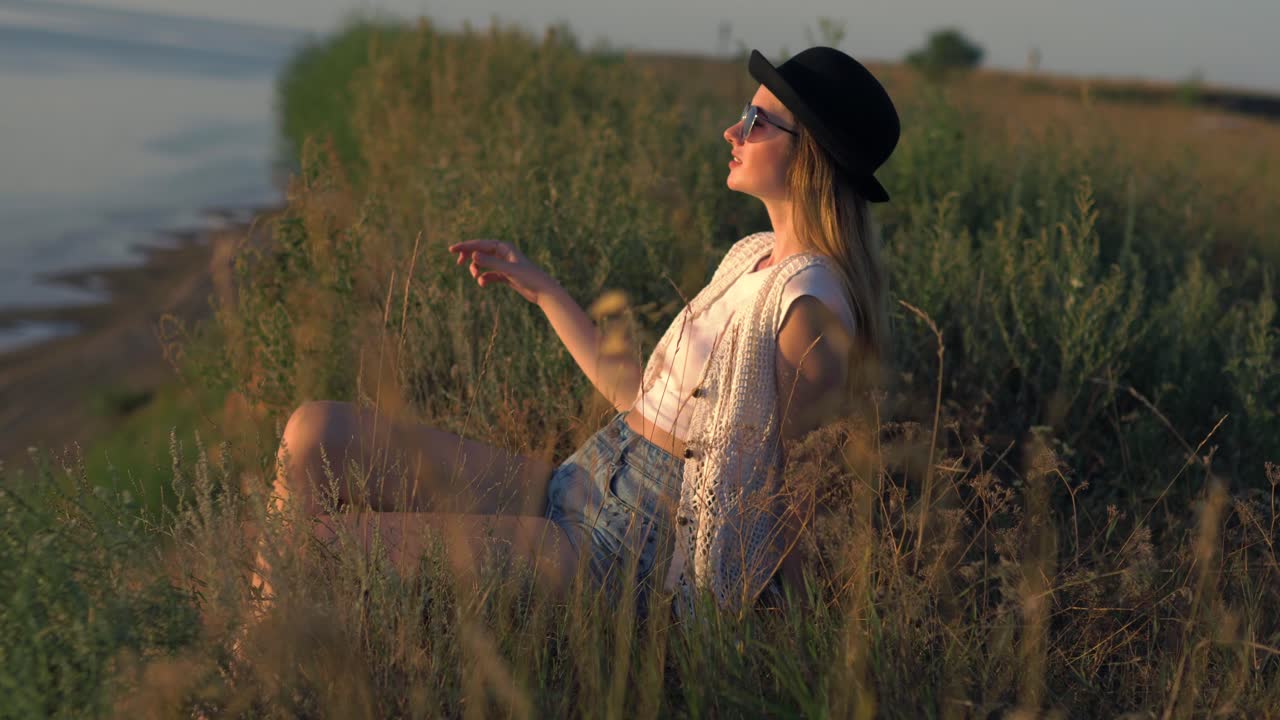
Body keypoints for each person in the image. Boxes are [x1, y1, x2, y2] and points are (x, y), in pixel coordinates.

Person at [258, 46, 899, 617]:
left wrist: (781, 655)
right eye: (745, 111)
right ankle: (270, 658)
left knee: (317, 547)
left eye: (758, 122)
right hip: (587, 476)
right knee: (312, 433)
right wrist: (542, 289)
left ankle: (241, 686)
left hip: (624, 546)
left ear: (809, 152)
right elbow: (641, 397)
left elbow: (783, 500)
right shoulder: (753, 255)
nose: (733, 130)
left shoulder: (806, 310)